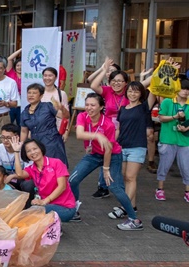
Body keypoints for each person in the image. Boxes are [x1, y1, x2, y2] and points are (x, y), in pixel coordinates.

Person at [68, 93, 142, 229]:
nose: (89, 108)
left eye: (93, 105)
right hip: (94, 154)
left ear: (101, 107)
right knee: (73, 180)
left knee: (114, 187)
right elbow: (79, 134)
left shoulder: (108, 124)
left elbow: (109, 149)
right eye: (87, 104)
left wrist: (106, 169)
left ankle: (134, 220)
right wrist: (97, 136)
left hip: (112, 156)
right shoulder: (82, 116)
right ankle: (74, 211)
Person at [107, 80, 154, 219]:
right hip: (122, 146)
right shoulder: (123, 108)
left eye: (136, 91)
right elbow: (119, 128)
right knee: (126, 178)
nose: (132, 94)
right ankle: (132, 206)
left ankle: (124, 207)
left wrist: (161, 71)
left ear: (141, 93)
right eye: (130, 91)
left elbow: (155, 89)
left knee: (131, 177)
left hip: (137, 147)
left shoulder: (144, 107)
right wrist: (112, 143)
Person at [10, 137, 76, 223]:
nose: (33, 152)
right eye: (29, 151)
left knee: (32, 214)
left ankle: (54, 228)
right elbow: (19, 174)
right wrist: (16, 152)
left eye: (35, 148)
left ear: (41, 149)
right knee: (27, 213)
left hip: (65, 208)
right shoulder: (32, 168)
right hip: (47, 205)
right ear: (26, 155)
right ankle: (52, 228)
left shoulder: (56, 163)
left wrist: (45, 201)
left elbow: (62, 186)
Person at [155, 78, 189, 203]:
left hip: (185, 140)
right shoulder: (168, 102)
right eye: (183, 88)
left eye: (187, 89)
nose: (185, 92)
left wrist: (186, 128)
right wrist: (175, 117)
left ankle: (187, 192)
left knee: (186, 167)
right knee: (164, 165)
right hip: (168, 138)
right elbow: (161, 118)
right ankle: (160, 189)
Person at [20, 83, 70, 166]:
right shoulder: (24, 112)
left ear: (41, 96)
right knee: (40, 168)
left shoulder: (48, 106)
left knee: (55, 167)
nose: (31, 95)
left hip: (52, 142)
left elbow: (66, 116)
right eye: (29, 93)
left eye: (34, 93)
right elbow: (24, 131)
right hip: (36, 144)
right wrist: (22, 146)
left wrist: (61, 108)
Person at [5, 49, 23, 126]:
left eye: (22, 66)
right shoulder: (11, 73)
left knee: (21, 126)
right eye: (18, 65)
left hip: (23, 105)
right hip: (11, 103)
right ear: (15, 66)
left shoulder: (27, 76)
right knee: (8, 125)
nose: (19, 67)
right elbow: (9, 59)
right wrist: (22, 49)